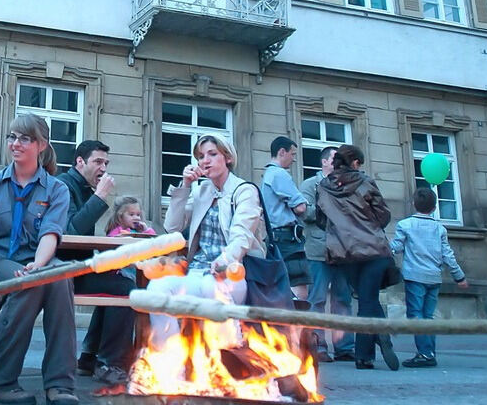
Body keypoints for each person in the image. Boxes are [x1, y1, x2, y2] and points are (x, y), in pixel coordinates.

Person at [0, 114, 77, 405]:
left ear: (41, 145)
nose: (15, 144)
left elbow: (51, 233)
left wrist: (39, 265)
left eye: (24, 138)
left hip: (34, 258)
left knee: (60, 276)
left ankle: (60, 384)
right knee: (30, 284)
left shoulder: (56, 189)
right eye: (12, 137)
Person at [146, 135, 266, 353]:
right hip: (198, 272)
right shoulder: (201, 191)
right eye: (201, 156)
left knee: (212, 287)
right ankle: (171, 362)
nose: (205, 161)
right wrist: (184, 186)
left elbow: (242, 236)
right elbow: (172, 227)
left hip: (233, 274)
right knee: (156, 290)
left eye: (212, 154)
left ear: (227, 158)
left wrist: (224, 261)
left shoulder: (245, 190)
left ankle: (228, 356)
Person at [316, 144, 399, 371]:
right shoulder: (365, 182)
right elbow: (382, 214)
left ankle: (376, 344)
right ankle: (367, 352)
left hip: (345, 252)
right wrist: (367, 225)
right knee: (368, 300)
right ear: (354, 163)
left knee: (365, 297)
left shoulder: (323, 187)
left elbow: (321, 220)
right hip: (373, 249)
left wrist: (342, 229)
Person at [59, 140, 134, 385]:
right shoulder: (63, 186)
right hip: (61, 272)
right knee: (124, 289)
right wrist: (101, 196)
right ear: (80, 162)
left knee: (117, 279)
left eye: (106, 163)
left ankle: (90, 357)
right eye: (98, 162)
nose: (103, 167)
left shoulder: (82, 189)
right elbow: (70, 232)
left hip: (75, 268)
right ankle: (111, 363)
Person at [390, 186, 469, 368]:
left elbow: (396, 247)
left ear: (414, 204)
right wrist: (459, 277)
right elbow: (447, 255)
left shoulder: (405, 225)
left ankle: (425, 353)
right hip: (434, 277)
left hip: (414, 276)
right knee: (428, 316)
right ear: (434, 208)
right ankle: (429, 351)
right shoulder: (439, 228)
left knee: (416, 315)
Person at [300, 146, 355, 363]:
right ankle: (318, 345)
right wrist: (328, 209)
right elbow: (303, 211)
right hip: (317, 250)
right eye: (334, 158)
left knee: (343, 299)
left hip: (342, 250)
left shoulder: (345, 184)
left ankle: (344, 346)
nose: (338, 162)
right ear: (324, 162)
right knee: (317, 299)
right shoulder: (309, 184)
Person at [260, 136, 311, 300]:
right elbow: (300, 207)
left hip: (275, 237)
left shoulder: (268, 174)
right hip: (287, 239)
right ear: (282, 152)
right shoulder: (279, 174)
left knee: (279, 288)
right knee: (299, 290)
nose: (294, 159)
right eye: (293, 154)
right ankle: (296, 324)